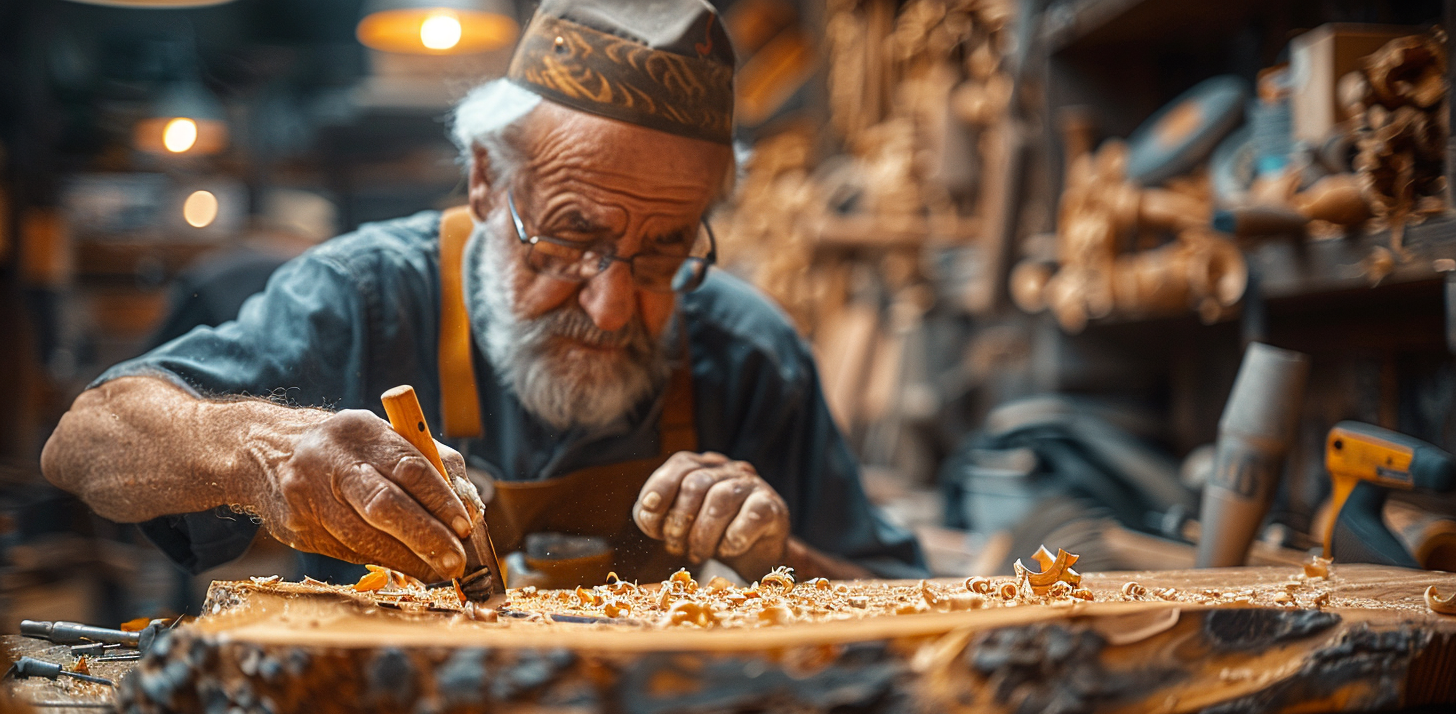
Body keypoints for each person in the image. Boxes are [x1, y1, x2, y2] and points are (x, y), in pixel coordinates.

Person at [40, 0, 925, 587]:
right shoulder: (367, 295)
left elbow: (910, 610)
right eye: (573, 238)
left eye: (662, 254)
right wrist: (265, 450)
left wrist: (785, 558)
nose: (615, 305)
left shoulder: (748, 351)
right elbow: (82, 442)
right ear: (485, 182)